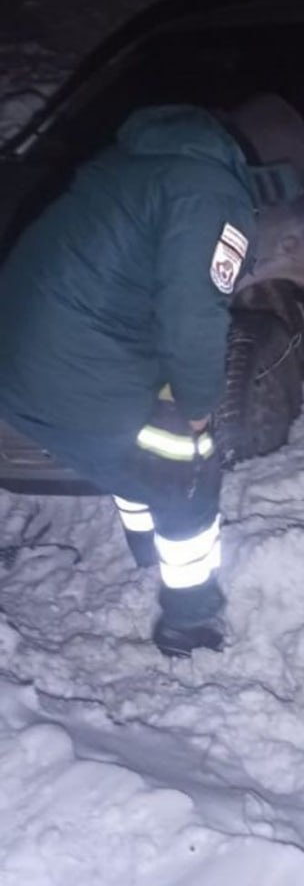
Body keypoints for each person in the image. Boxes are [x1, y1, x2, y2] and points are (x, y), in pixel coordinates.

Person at [0, 105, 257, 656]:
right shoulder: (210, 195)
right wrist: (198, 408)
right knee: (187, 468)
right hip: (76, 377)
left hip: (22, 366)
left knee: (141, 448)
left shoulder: (127, 170)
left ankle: (145, 550)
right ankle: (190, 622)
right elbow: (193, 316)